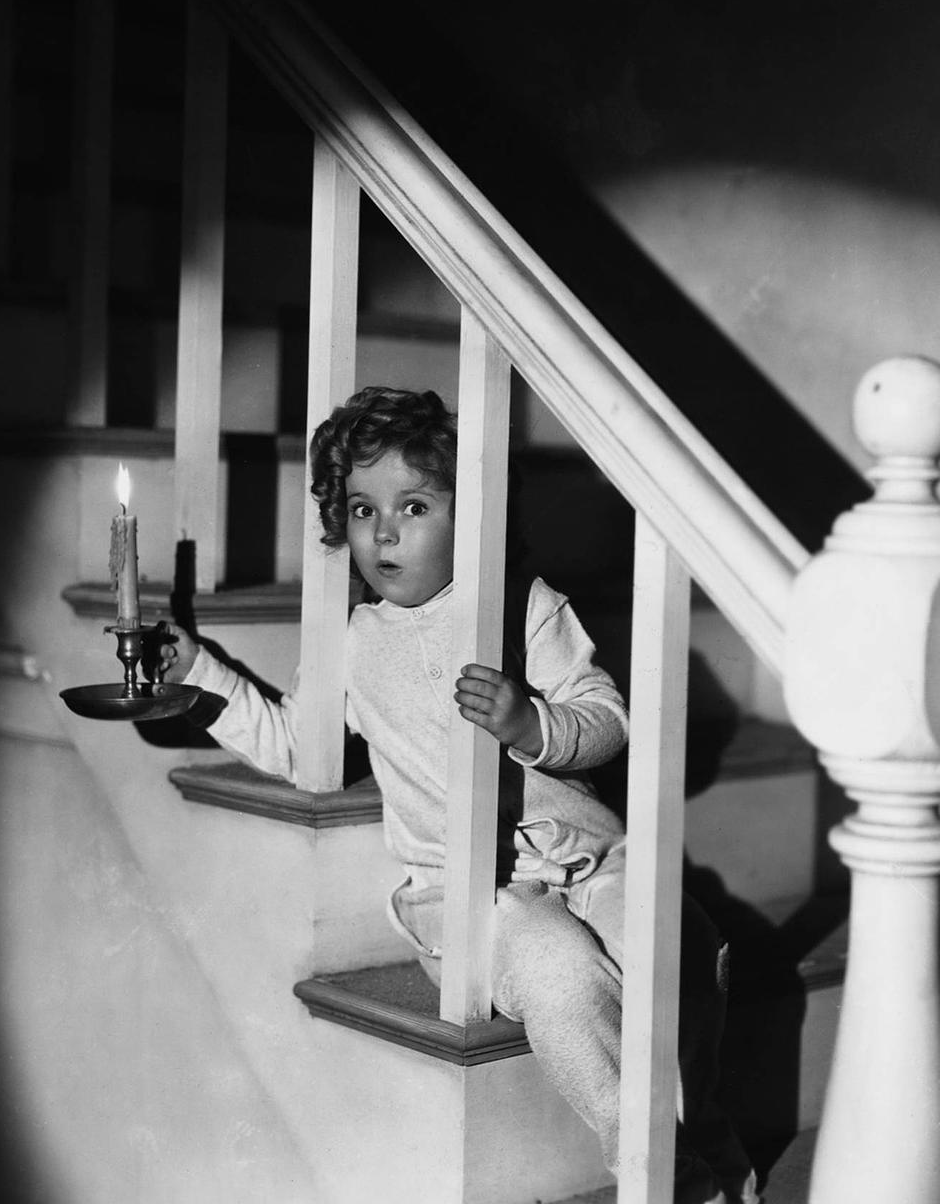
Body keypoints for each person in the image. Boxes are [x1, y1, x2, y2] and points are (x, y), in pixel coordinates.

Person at [156, 386, 758, 1204]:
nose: (384, 532)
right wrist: (202, 672)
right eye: (362, 510)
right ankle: (665, 1177)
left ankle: (703, 1129)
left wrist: (533, 723)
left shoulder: (527, 607)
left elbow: (607, 719)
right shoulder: (352, 641)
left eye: (413, 506)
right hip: (471, 895)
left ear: (471, 518)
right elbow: (302, 748)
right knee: (560, 975)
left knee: (680, 944)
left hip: (591, 858)